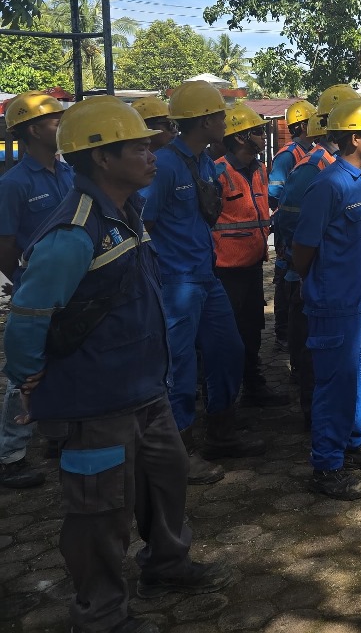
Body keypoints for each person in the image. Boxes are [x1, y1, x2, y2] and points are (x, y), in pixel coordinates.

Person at [4, 96, 232, 633]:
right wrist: (28, 377)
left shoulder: (125, 213)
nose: (153, 155)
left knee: (165, 480)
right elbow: (29, 314)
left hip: (143, 388)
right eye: (139, 148)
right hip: (94, 399)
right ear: (102, 158)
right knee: (99, 514)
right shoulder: (74, 232)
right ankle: (102, 614)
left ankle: (167, 564)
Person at [142, 80, 262, 484]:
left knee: (228, 349)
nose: (225, 121)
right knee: (180, 364)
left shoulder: (204, 162)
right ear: (206, 120)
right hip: (178, 281)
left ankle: (221, 432)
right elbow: (146, 225)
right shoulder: (165, 165)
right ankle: (180, 450)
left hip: (205, 275)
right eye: (220, 115)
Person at [291, 98, 361, 500]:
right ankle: (326, 466)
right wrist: (317, 282)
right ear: (355, 138)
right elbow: (303, 246)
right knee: (335, 385)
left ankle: (356, 442)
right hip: (336, 304)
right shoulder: (329, 184)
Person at [275, 85, 357, 428]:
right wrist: (299, 270)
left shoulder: (341, 165)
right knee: (312, 350)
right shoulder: (314, 167)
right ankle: (315, 414)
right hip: (311, 279)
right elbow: (291, 223)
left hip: (337, 279)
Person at [0, 91, 70, 489]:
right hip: (37, 292)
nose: (61, 126)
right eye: (54, 121)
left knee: (63, 360)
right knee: (24, 375)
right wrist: (28, 286)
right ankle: (11, 455)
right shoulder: (14, 184)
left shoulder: (67, 173)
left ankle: (59, 437)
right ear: (31, 130)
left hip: (71, 289)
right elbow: (5, 245)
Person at [212, 104, 287, 409]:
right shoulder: (216, 172)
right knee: (226, 336)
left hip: (253, 265)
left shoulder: (259, 169)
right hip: (224, 270)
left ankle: (253, 385)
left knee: (252, 327)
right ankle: (223, 400)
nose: (262, 136)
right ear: (241, 138)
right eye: (257, 132)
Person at [267, 98, 316, 353]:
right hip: (288, 227)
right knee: (285, 278)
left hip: (301, 225)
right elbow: (274, 192)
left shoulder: (309, 152)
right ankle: (283, 332)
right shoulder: (289, 155)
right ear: (302, 126)